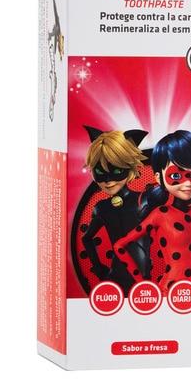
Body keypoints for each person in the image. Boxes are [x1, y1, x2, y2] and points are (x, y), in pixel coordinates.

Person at [114, 130, 191, 295]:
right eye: (176, 175)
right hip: (168, 292)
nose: (188, 183)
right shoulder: (160, 214)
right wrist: (142, 284)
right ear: (158, 177)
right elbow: (120, 245)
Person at [81, 126, 149, 294]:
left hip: (145, 281)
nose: (108, 181)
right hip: (115, 278)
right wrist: (99, 269)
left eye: (117, 170)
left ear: (130, 167)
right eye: (99, 171)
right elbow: (87, 238)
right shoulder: (102, 207)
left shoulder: (144, 200)